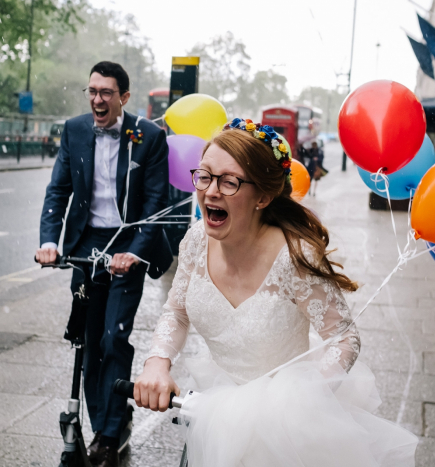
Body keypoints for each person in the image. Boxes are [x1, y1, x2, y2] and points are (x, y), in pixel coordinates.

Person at [133, 118, 418, 466]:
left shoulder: (294, 256)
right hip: (217, 410)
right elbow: (176, 312)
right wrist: (157, 365)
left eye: (229, 182)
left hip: (288, 432)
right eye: (204, 176)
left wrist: (304, 405)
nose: (210, 191)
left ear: (263, 196)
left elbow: (344, 338)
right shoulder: (196, 239)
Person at [35, 61, 172, 467]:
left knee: (115, 337)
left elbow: (155, 206)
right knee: (90, 344)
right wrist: (48, 240)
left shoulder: (148, 137)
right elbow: (58, 190)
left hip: (129, 243)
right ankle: (110, 420)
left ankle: (109, 437)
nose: (97, 99)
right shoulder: (75, 130)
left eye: (106, 93)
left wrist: (135, 251)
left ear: (124, 98)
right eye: (92, 91)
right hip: (87, 243)